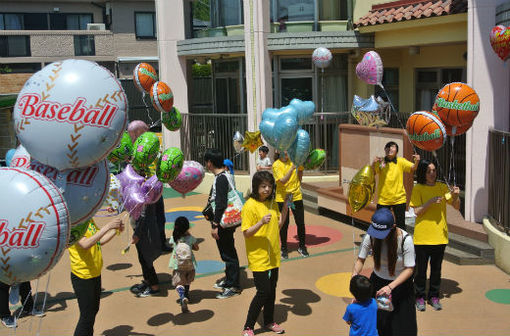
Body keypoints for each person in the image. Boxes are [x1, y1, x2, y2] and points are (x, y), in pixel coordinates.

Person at [352, 208, 417, 336]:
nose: (377, 236)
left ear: (393, 227)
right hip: (379, 286)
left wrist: (390, 287)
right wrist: (355, 280)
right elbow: (360, 260)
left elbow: (409, 269)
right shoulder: (370, 236)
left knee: (403, 327)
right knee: (382, 324)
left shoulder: (405, 240)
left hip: (400, 287)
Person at [241, 171, 290, 336]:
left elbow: (279, 225)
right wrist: (261, 222)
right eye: (263, 186)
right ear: (256, 187)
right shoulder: (250, 205)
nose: (267, 189)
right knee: (263, 291)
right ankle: (248, 326)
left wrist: (285, 207)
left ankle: (269, 321)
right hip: (258, 256)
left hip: (273, 255)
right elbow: (246, 232)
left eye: (269, 186)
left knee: (272, 290)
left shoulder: (272, 203)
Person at [410, 159, 460, 312]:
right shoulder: (418, 188)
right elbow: (416, 212)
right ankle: (419, 297)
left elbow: (456, 206)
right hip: (423, 237)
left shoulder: (442, 186)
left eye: (434, 170)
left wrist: (456, 196)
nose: (432, 173)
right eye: (428, 171)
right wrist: (430, 202)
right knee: (420, 270)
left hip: (439, 236)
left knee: (436, 270)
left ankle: (433, 296)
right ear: (423, 173)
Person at [68, 218, 124, 336]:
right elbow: (85, 244)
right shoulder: (74, 224)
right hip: (83, 276)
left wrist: (115, 230)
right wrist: (107, 227)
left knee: (93, 311)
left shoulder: (88, 220)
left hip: (95, 273)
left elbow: (100, 240)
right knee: (86, 316)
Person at [127, 120, 171, 252]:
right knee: (144, 218)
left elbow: (160, 163)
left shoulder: (153, 146)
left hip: (156, 187)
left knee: (160, 217)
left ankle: (161, 243)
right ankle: (149, 243)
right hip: (143, 190)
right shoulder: (134, 151)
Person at [204, 148, 241, 299]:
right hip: (227, 221)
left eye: (206, 162)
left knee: (228, 253)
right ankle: (229, 279)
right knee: (227, 250)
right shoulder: (226, 175)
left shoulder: (220, 179)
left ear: (210, 163)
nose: (206, 164)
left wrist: (214, 225)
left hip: (223, 222)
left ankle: (234, 286)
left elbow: (220, 204)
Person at [372, 141, 420, 230]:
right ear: (385, 150)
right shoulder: (381, 161)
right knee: (380, 223)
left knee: (400, 225)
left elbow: (413, 168)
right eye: (388, 147)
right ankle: (382, 241)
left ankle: (400, 242)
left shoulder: (401, 161)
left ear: (397, 151)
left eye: (392, 147)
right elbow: (373, 173)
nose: (390, 148)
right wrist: (373, 163)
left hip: (399, 199)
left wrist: (417, 161)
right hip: (383, 199)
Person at [272, 151, 308, 258]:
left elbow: (300, 170)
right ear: (278, 151)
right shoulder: (276, 165)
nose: (287, 152)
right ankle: (284, 248)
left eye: (288, 149)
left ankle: (302, 246)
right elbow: (282, 180)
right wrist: (292, 168)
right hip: (282, 198)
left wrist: (298, 183)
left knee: (300, 222)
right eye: (284, 149)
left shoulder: (295, 161)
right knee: (284, 224)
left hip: (296, 197)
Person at [129, 202, 163, 297]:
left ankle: (154, 287)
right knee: (142, 258)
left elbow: (143, 215)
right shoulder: (137, 190)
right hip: (139, 230)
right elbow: (132, 205)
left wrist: (137, 234)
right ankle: (147, 281)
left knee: (146, 259)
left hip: (144, 232)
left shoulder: (147, 191)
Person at [168, 216, 199, 313]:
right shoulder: (190, 238)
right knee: (187, 280)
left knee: (179, 282)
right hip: (189, 263)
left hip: (178, 264)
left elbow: (171, 245)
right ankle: (186, 294)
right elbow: (196, 248)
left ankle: (181, 295)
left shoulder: (174, 238)